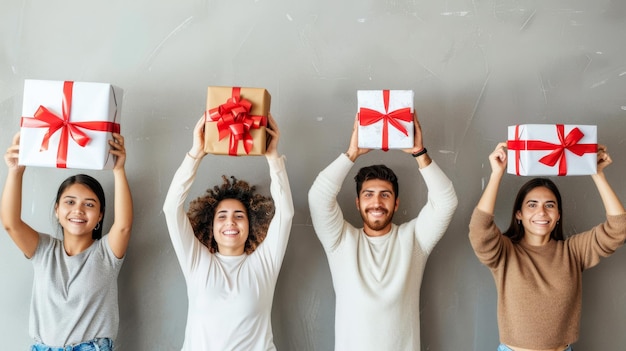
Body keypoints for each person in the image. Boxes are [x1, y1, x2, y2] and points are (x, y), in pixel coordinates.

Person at [308, 114, 458, 350]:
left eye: (385, 195)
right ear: (358, 202)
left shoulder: (415, 239)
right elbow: (318, 198)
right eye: (368, 194)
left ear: (396, 203)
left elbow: (446, 202)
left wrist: (420, 153)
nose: (376, 202)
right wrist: (352, 154)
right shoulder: (340, 240)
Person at [469, 142, 626, 351]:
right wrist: (496, 174)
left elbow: (619, 229)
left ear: (558, 215)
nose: (541, 213)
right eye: (532, 205)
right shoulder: (505, 253)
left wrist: (597, 174)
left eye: (549, 205)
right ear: (519, 214)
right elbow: (479, 229)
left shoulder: (572, 252)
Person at [162, 113, 294, 350]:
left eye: (239, 216)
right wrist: (196, 154)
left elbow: (286, 214)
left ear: (250, 225)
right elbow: (171, 209)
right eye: (222, 216)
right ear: (210, 226)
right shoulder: (196, 261)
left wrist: (273, 157)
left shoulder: (265, 264)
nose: (230, 222)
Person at [0, 132, 133, 351]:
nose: (78, 210)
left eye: (89, 205)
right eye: (69, 202)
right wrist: (15, 171)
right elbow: (10, 223)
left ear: (100, 216)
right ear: (57, 210)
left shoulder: (106, 254)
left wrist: (118, 170)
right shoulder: (43, 249)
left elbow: (124, 226)